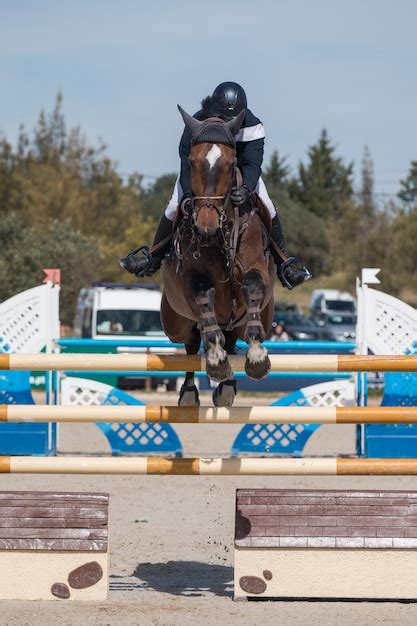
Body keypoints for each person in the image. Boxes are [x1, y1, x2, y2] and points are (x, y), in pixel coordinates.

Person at [121, 82, 309, 288]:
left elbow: (254, 164)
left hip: (242, 172)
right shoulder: (196, 124)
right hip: (201, 175)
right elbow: (186, 164)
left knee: (268, 206)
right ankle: (153, 258)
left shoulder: (253, 126)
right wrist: (191, 194)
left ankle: (284, 265)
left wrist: (246, 188)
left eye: (232, 120)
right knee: (174, 205)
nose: (226, 124)